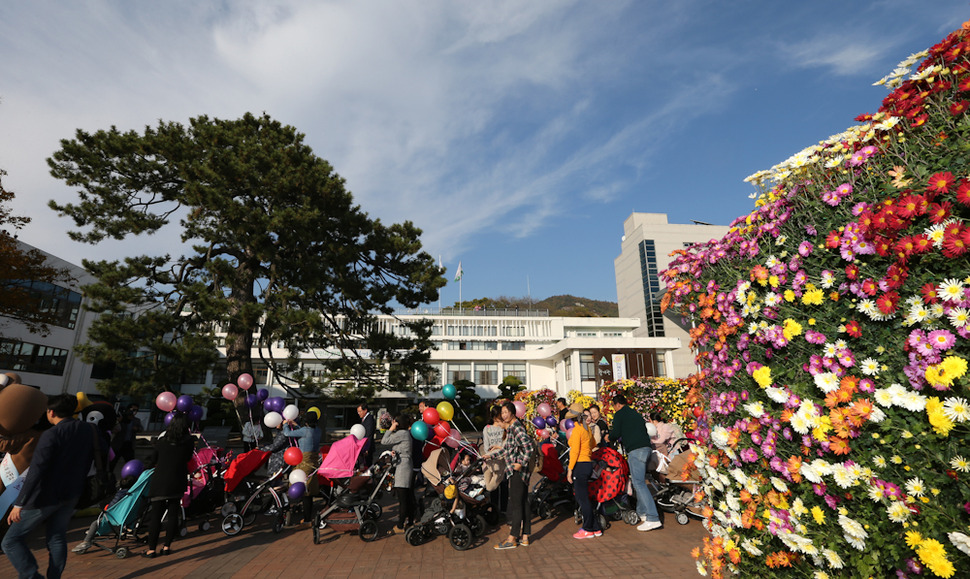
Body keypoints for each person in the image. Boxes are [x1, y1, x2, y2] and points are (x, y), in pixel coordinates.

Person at [3, 394, 104, 579]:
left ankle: (31, 575)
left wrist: (19, 504)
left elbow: (37, 470)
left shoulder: (52, 434)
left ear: (51, 412)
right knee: (57, 537)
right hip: (73, 493)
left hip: (45, 496)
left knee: (10, 541)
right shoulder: (89, 430)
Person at [143, 413, 195, 557]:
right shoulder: (188, 441)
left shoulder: (162, 442)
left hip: (160, 480)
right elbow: (188, 458)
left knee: (156, 516)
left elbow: (153, 459)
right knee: (173, 514)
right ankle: (166, 546)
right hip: (177, 479)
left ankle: (151, 549)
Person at [609, 394, 662, 532]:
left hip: (635, 451)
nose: (614, 409)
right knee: (640, 482)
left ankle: (653, 518)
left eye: (614, 407)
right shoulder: (636, 414)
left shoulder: (620, 414)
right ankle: (642, 513)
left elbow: (615, 433)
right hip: (646, 449)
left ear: (617, 405)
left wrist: (608, 436)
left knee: (639, 483)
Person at [490, 401, 535, 550]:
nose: (503, 415)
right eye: (502, 413)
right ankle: (526, 536)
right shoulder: (512, 429)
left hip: (517, 472)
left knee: (516, 504)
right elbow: (507, 451)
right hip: (518, 471)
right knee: (523, 502)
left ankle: (512, 538)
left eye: (505, 412)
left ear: (512, 413)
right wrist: (490, 456)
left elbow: (529, 447)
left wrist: (521, 463)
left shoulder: (516, 428)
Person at [72, 475, 137, 554]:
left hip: (115, 517)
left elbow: (112, 506)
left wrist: (105, 508)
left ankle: (86, 541)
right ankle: (92, 533)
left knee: (95, 523)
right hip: (129, 517)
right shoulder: (135, 494)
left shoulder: (120, 494)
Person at [565, 403, 601, 539]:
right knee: (586, 497)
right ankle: (595, 527)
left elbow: (574, 452)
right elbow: (593, 444)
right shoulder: (587, 429)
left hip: (580, 464)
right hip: (587, 463)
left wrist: (569, 470)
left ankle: (588, 528)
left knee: (582, 498)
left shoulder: (577, 430)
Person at [381, 414, 418, 530]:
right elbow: (400, 447)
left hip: (403, 468)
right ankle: (410, 520)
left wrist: (390, 430)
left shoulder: (401, 433)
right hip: (405, 465)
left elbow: (384, 440)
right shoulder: (405, 434)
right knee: (407, 496)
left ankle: (401, 524)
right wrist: (395, 451)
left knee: (403, 498)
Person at [284, 412, 322, 522]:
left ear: (306, 422)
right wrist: (296, 425)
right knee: (309, 489)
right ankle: (307, 516)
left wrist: (286, 424)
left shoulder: (304, 431)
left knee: (303, 489)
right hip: (313, 461)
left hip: (304, 462)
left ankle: (306, 518)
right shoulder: (318, 431)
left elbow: (287, 433)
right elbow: (306, 432)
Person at [483, 405, 508, 513]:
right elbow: (486, 447)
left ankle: (501, 509)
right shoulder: (487, 429)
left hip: (501, 460)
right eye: (500, 414)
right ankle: (497, 509)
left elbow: (505, 445)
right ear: (494, 416)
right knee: (496, 485)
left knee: (502, 485)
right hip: (495, 460)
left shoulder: (503, 427)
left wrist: (495, 453)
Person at [110, 404, 142, 471]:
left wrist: (137, 429)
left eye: (136, 410)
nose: (134, 412)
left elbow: (141, 429)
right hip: (118, 444)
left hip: (129, 444)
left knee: (131, 463)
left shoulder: (136, 420)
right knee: (112, 463)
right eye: (133, 410)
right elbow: (113, 428)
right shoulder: (122, 419)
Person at [357, 403, 376, 468]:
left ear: (365, 410)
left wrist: (367, 448)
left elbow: (369, 434)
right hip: (363, 445)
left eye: (360, 411)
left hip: (367, 447)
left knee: (368, 465)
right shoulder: (365, 419)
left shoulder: (369, 419)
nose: (359, 413)